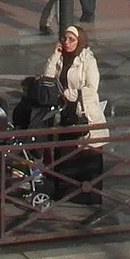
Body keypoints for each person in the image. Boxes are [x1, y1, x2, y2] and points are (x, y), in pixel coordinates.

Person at [43, 23, 107, 206]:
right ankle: (66, 193)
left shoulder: (87, 59)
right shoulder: (61, 58)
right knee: (65, 154)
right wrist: (55, 54)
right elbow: (47, 78)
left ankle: (89, 197)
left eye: (72, 39)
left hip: (84, 113)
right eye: (64, 38)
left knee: (88, 155)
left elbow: (92, 87)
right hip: (64, 114)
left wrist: (72, 95)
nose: (67, 42)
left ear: (80, 41)